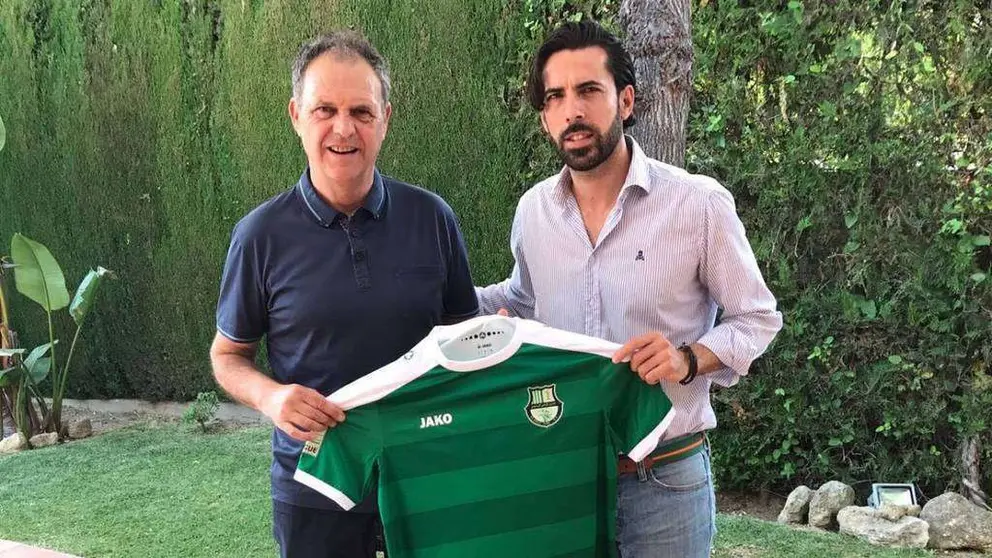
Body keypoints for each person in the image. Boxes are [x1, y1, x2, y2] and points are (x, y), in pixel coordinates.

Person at [476, 21, 782, 557]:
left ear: (625, 99)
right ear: (546, 117)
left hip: (665, 480)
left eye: (589, 91)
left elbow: (757, 318)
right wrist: (437, 292)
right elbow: (524, 300)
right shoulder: (533, 212)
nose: (573, 110)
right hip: (562, 476)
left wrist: (687, 358)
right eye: (556, 97)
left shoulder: (697, 203)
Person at [210, 30, 478, 558]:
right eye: (324, 109)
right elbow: (227, 356)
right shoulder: (259, 236)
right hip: (314, 487)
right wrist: (271, 396)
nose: (343, 128)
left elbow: (467, 345)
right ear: (295, 115)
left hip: (425, 480)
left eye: (361, 111)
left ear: (385, 119)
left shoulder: (433, 219)